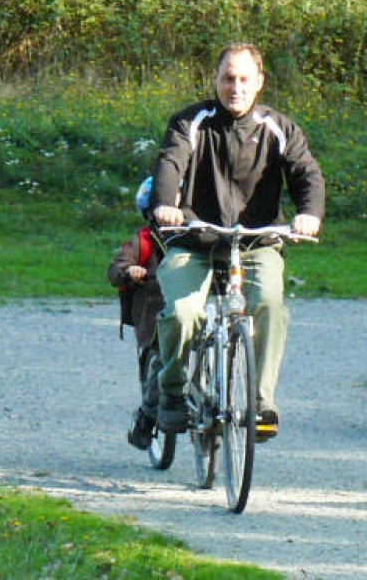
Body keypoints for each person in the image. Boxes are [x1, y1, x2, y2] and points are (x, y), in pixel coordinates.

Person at [148, 43, 325, 440]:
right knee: (182, 313)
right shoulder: (190, 123)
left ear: (259, 83)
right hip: (194, 239)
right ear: (215, 79)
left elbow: (307, 174)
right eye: (228, 78)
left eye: (245, 79)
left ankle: (261, 402)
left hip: (256, 243)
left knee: (269, 305)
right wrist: (166, 205)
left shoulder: (278, 128)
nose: (236, 87)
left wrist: (309, 213)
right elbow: (169, 165)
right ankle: (172, 392)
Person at [112, 180, 166, 450]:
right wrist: (130, 271)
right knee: (158, 363)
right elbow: (116, 269)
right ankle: (147, 414)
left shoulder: (195, 240)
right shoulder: (143, 241)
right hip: (153, 315)